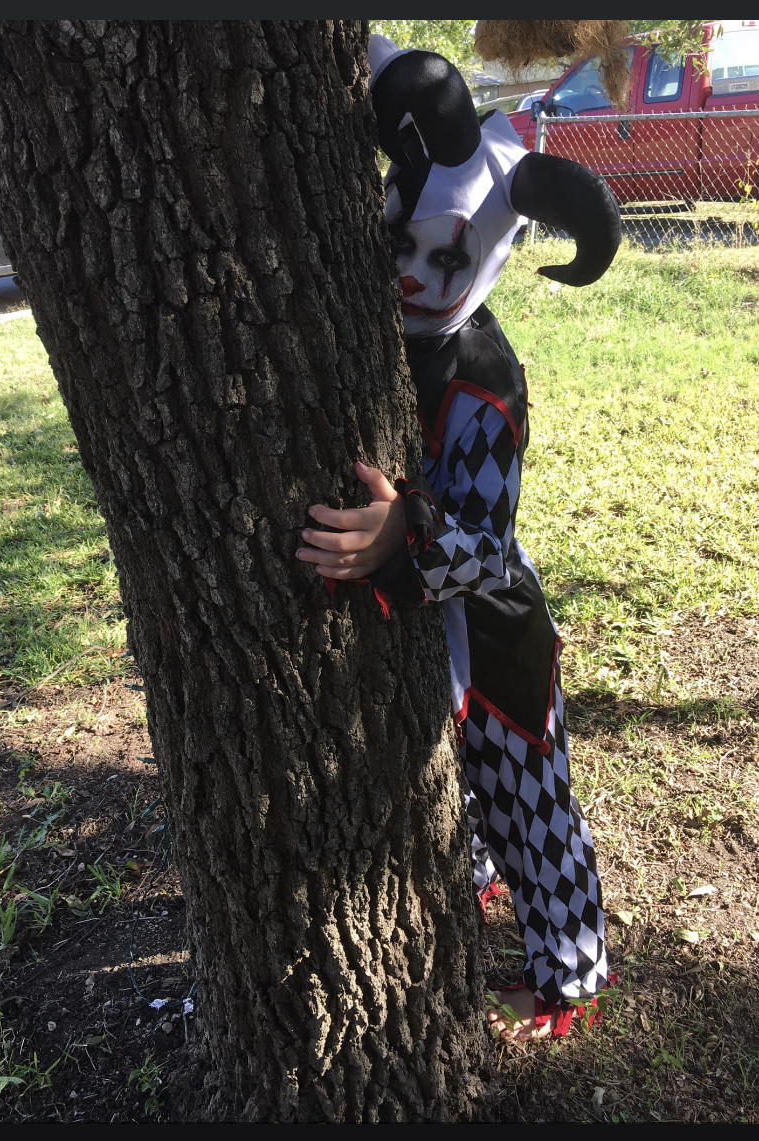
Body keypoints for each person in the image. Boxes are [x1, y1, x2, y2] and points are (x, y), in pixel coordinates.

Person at [296, 38, 621, 1041]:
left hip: (497, 640)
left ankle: (570, 970)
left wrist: (407, 527)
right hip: (428, 638)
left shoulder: (486, 379)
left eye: (446, 255)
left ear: (488, 252)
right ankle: (475, 879)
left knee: (530, 798)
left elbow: (491, 544)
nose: (414, 272)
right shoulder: (365, 330)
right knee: (462, 792)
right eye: (402, 236)